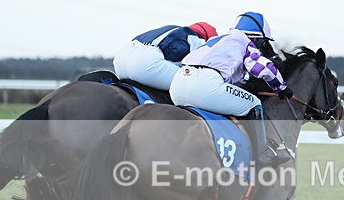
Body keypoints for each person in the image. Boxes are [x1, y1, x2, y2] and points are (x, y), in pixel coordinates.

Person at [169, 12, 293, 167]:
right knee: (254, 103)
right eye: (263, 42)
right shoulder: (245, 43)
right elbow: (262, 68)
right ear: (256, 38)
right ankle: (263, 154)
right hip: (204, 85)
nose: (261, 46)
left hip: (177, 84)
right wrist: (281, 87)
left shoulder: (217, 40)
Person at [113, 22, 218, 90]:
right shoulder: (196, 39)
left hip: (120, 60)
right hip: (144, 63)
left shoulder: (172, 29)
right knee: (194, 87)